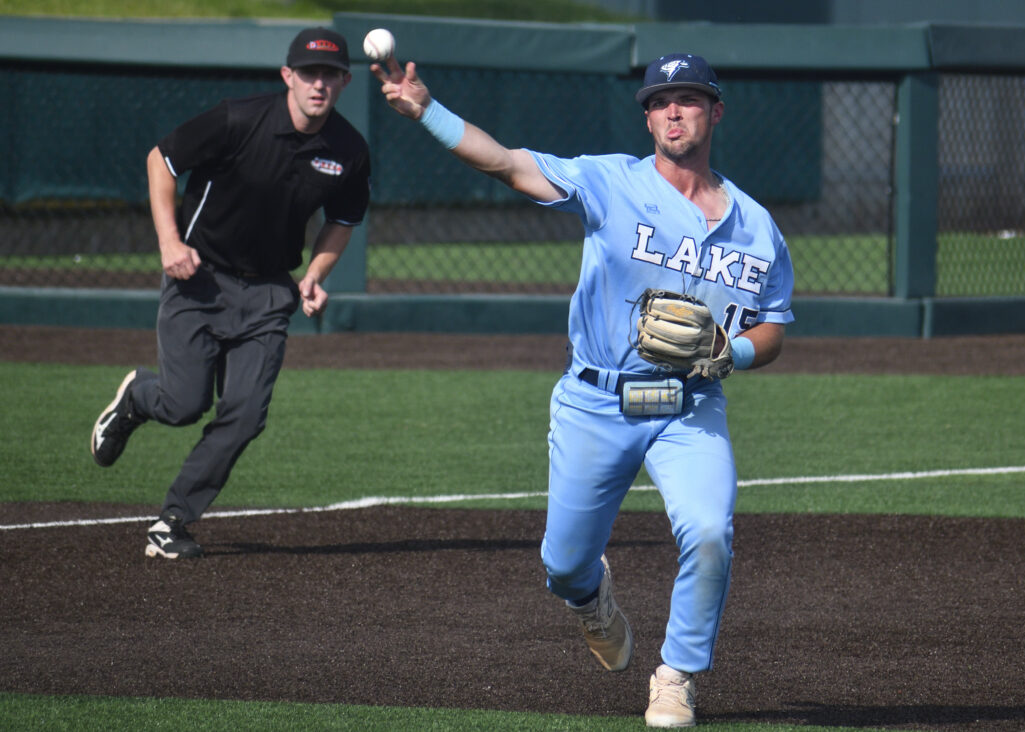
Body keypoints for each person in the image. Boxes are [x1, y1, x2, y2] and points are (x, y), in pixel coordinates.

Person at [372, 52, 794, 726]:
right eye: (659, 101)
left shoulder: (755, 225)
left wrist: (730, 351)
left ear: (715, 110)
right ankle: (590, 597)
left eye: (688, 98)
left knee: (710, 531)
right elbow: (506, 163)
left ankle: (677, 676)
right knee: (564, 566)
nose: (673, 110)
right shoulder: (608, 181)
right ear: (649, 117)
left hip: (689, 406)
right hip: (596, 401)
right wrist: (426, 110)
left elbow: (772, 326)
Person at [89, 28, 371, 559]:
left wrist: (316, 275)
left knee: (244, 414)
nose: (319, 84)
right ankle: (135, 400)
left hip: (269, 293)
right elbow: (161, 159)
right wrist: (169, 241)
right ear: (287, 76)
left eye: (330, 75)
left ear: (344, 82)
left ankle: (172, 521)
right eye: (308, 72)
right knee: (182, 404)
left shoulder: (350, 150)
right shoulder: (238, 119)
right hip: (200, 278)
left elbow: (344, 219)